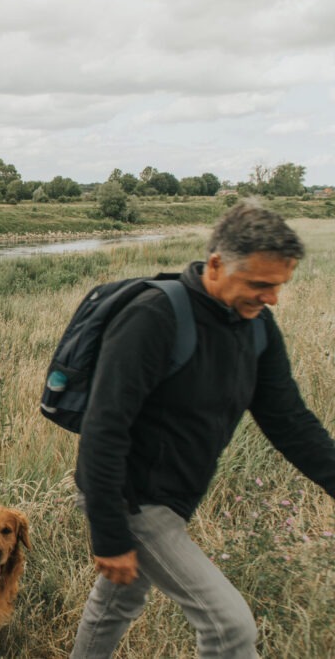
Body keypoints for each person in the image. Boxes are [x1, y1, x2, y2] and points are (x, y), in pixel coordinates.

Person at [71, 203, 335, 658]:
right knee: (229, 626)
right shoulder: (154, 317)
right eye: (260, 284)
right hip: (131, 498)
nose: (272, 297)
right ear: (216, 264)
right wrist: (110, 533)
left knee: (119, 599)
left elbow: (291, 423)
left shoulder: (256, 328)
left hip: (173, 496)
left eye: (278, 286)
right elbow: (103, 427)